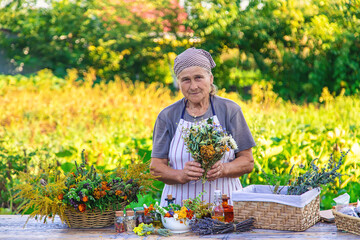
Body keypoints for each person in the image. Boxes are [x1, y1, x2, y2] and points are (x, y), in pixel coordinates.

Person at [150, 47, 256, 206]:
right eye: (185, 80)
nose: (193, 86)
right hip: (179, 210)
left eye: (198, 77)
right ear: (179, 83)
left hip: (225, 208)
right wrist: (180, 175)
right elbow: (156, 168)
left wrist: (223, 169)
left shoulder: (229, 110)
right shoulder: (168, 116)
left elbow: (247, 162)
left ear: (210, 78)